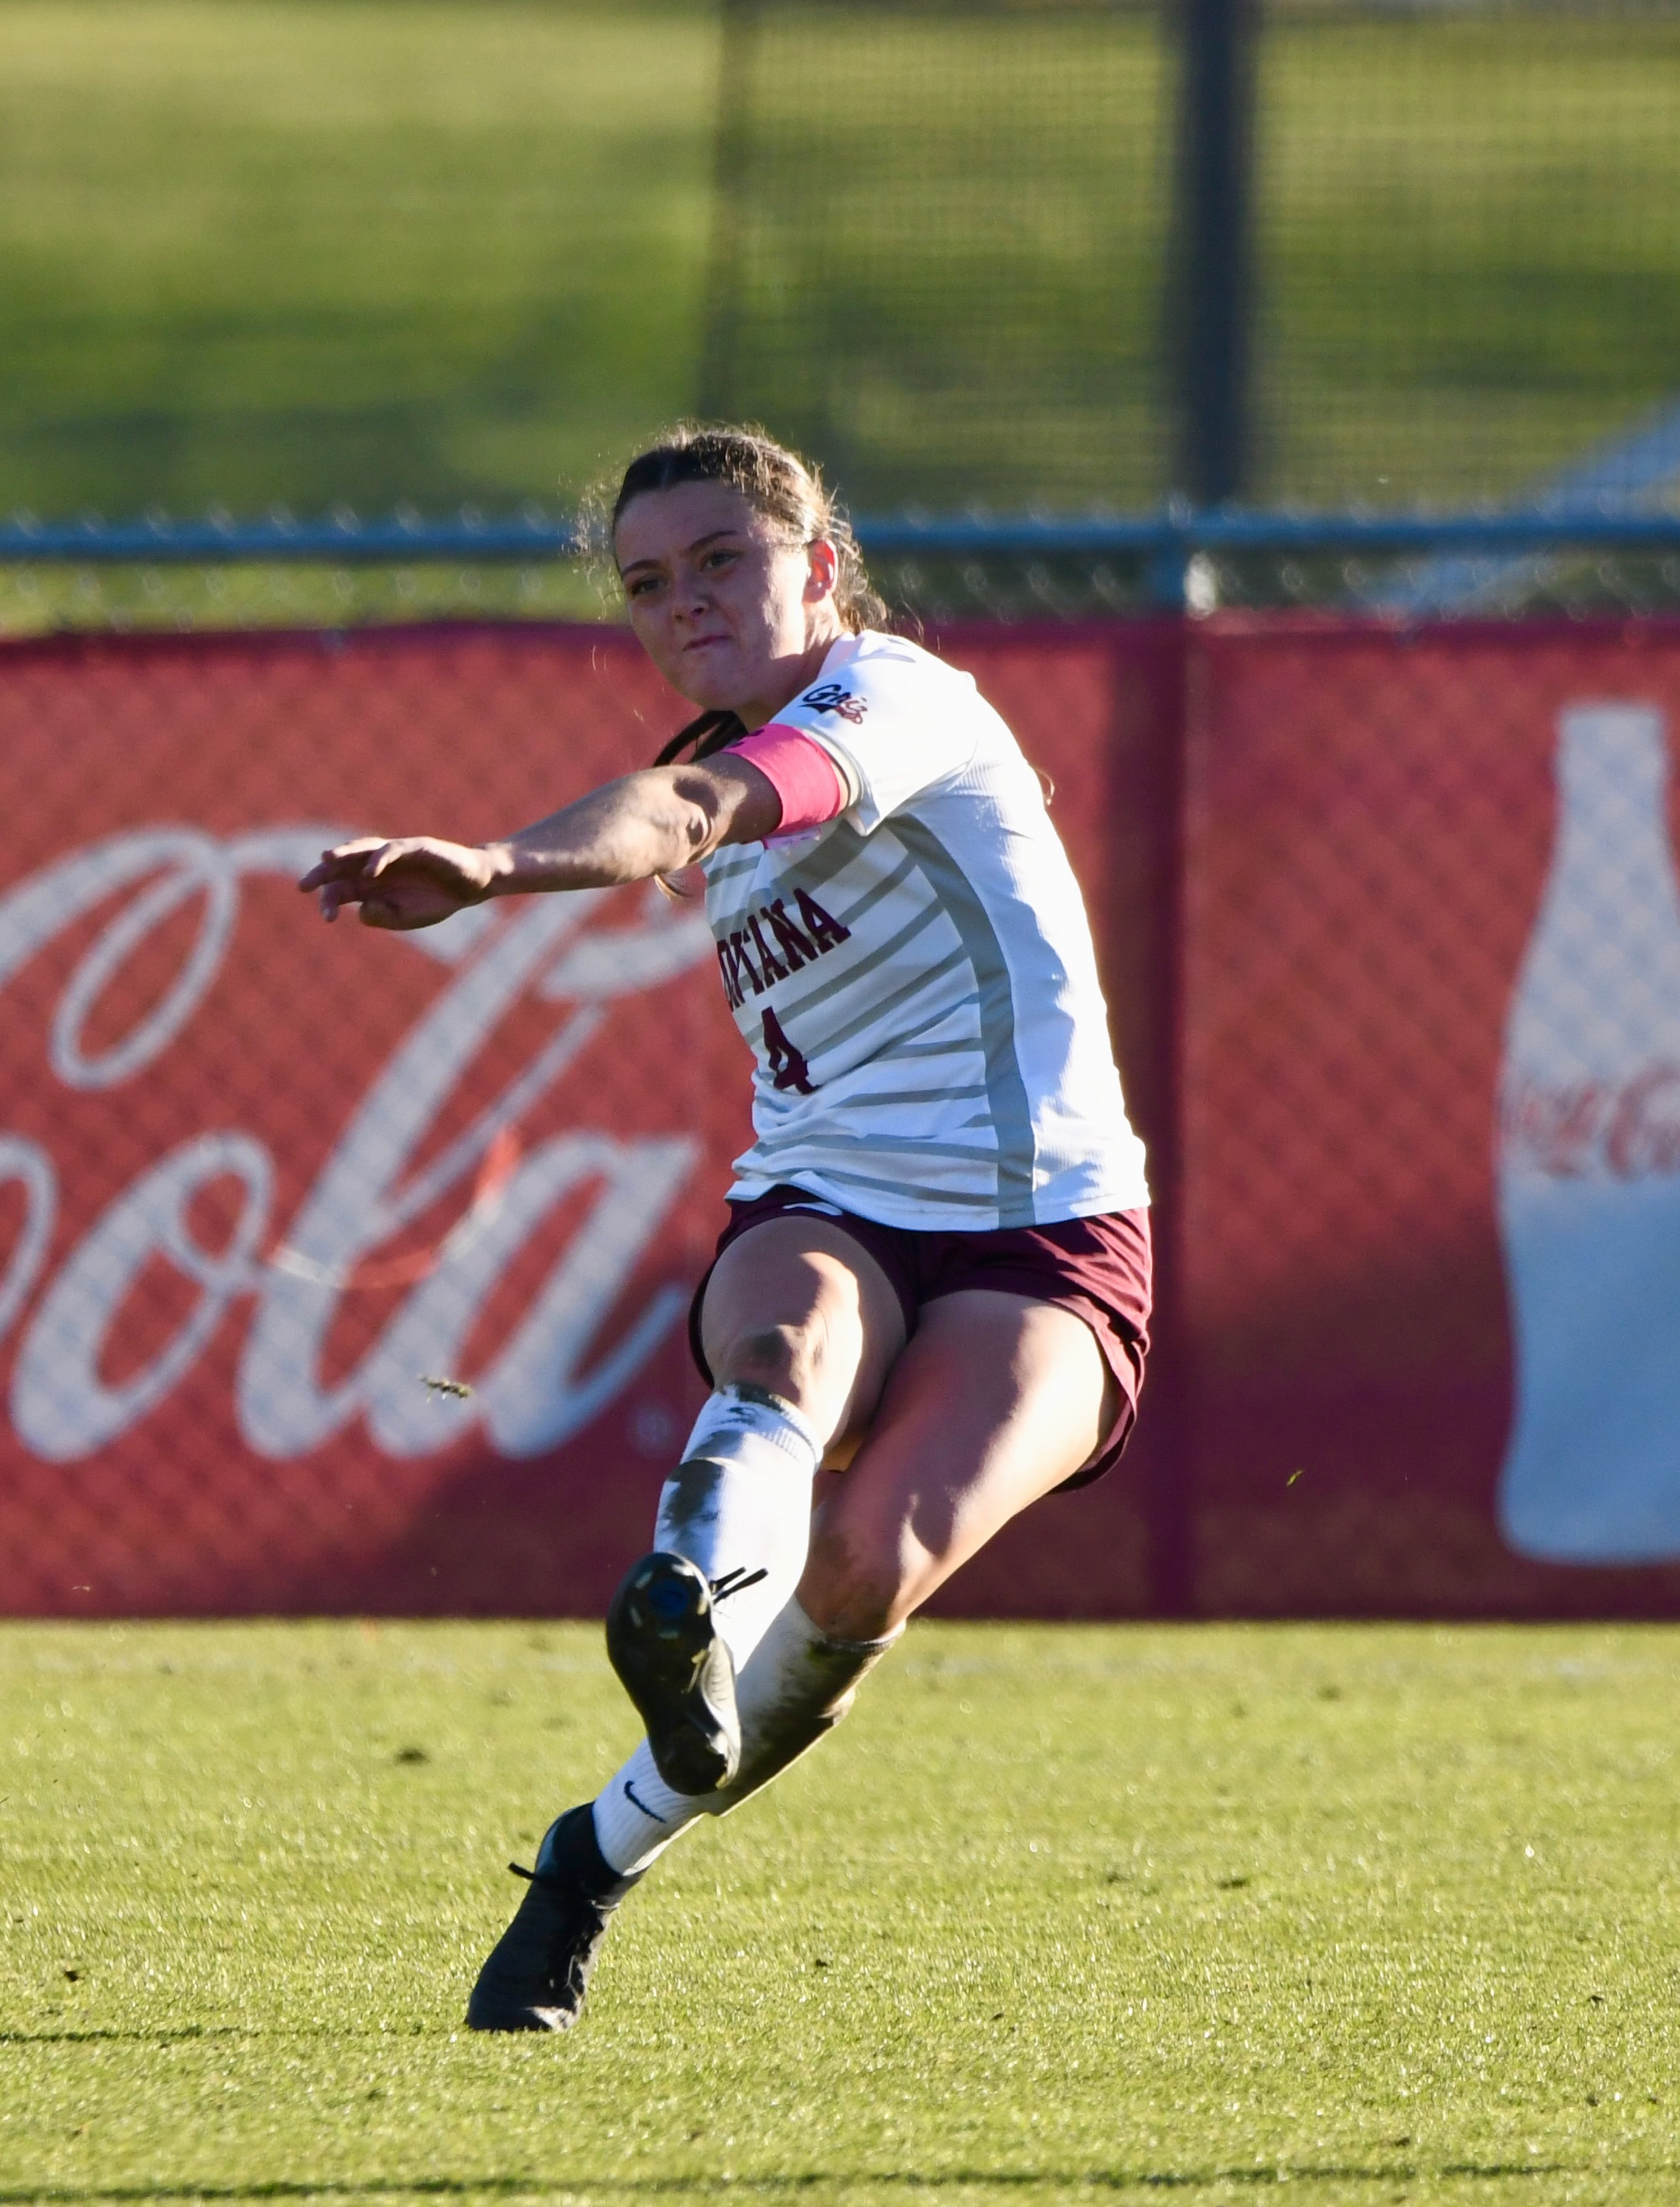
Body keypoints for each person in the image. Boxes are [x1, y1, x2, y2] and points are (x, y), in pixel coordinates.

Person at [295, 424, 1156, 2034]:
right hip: (831, 1203)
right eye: (646, 582)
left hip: (1049, 1233)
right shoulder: (734, 772)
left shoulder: (899, 701)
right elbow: (687, 797)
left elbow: (695, 804)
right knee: (783, 1345)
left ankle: (594, 1856)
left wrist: (488, 866)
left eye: (721, 561)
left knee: (870, 1568)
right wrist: (511, 861)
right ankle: (684, 1601)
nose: (682, 599)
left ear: (819, 563)